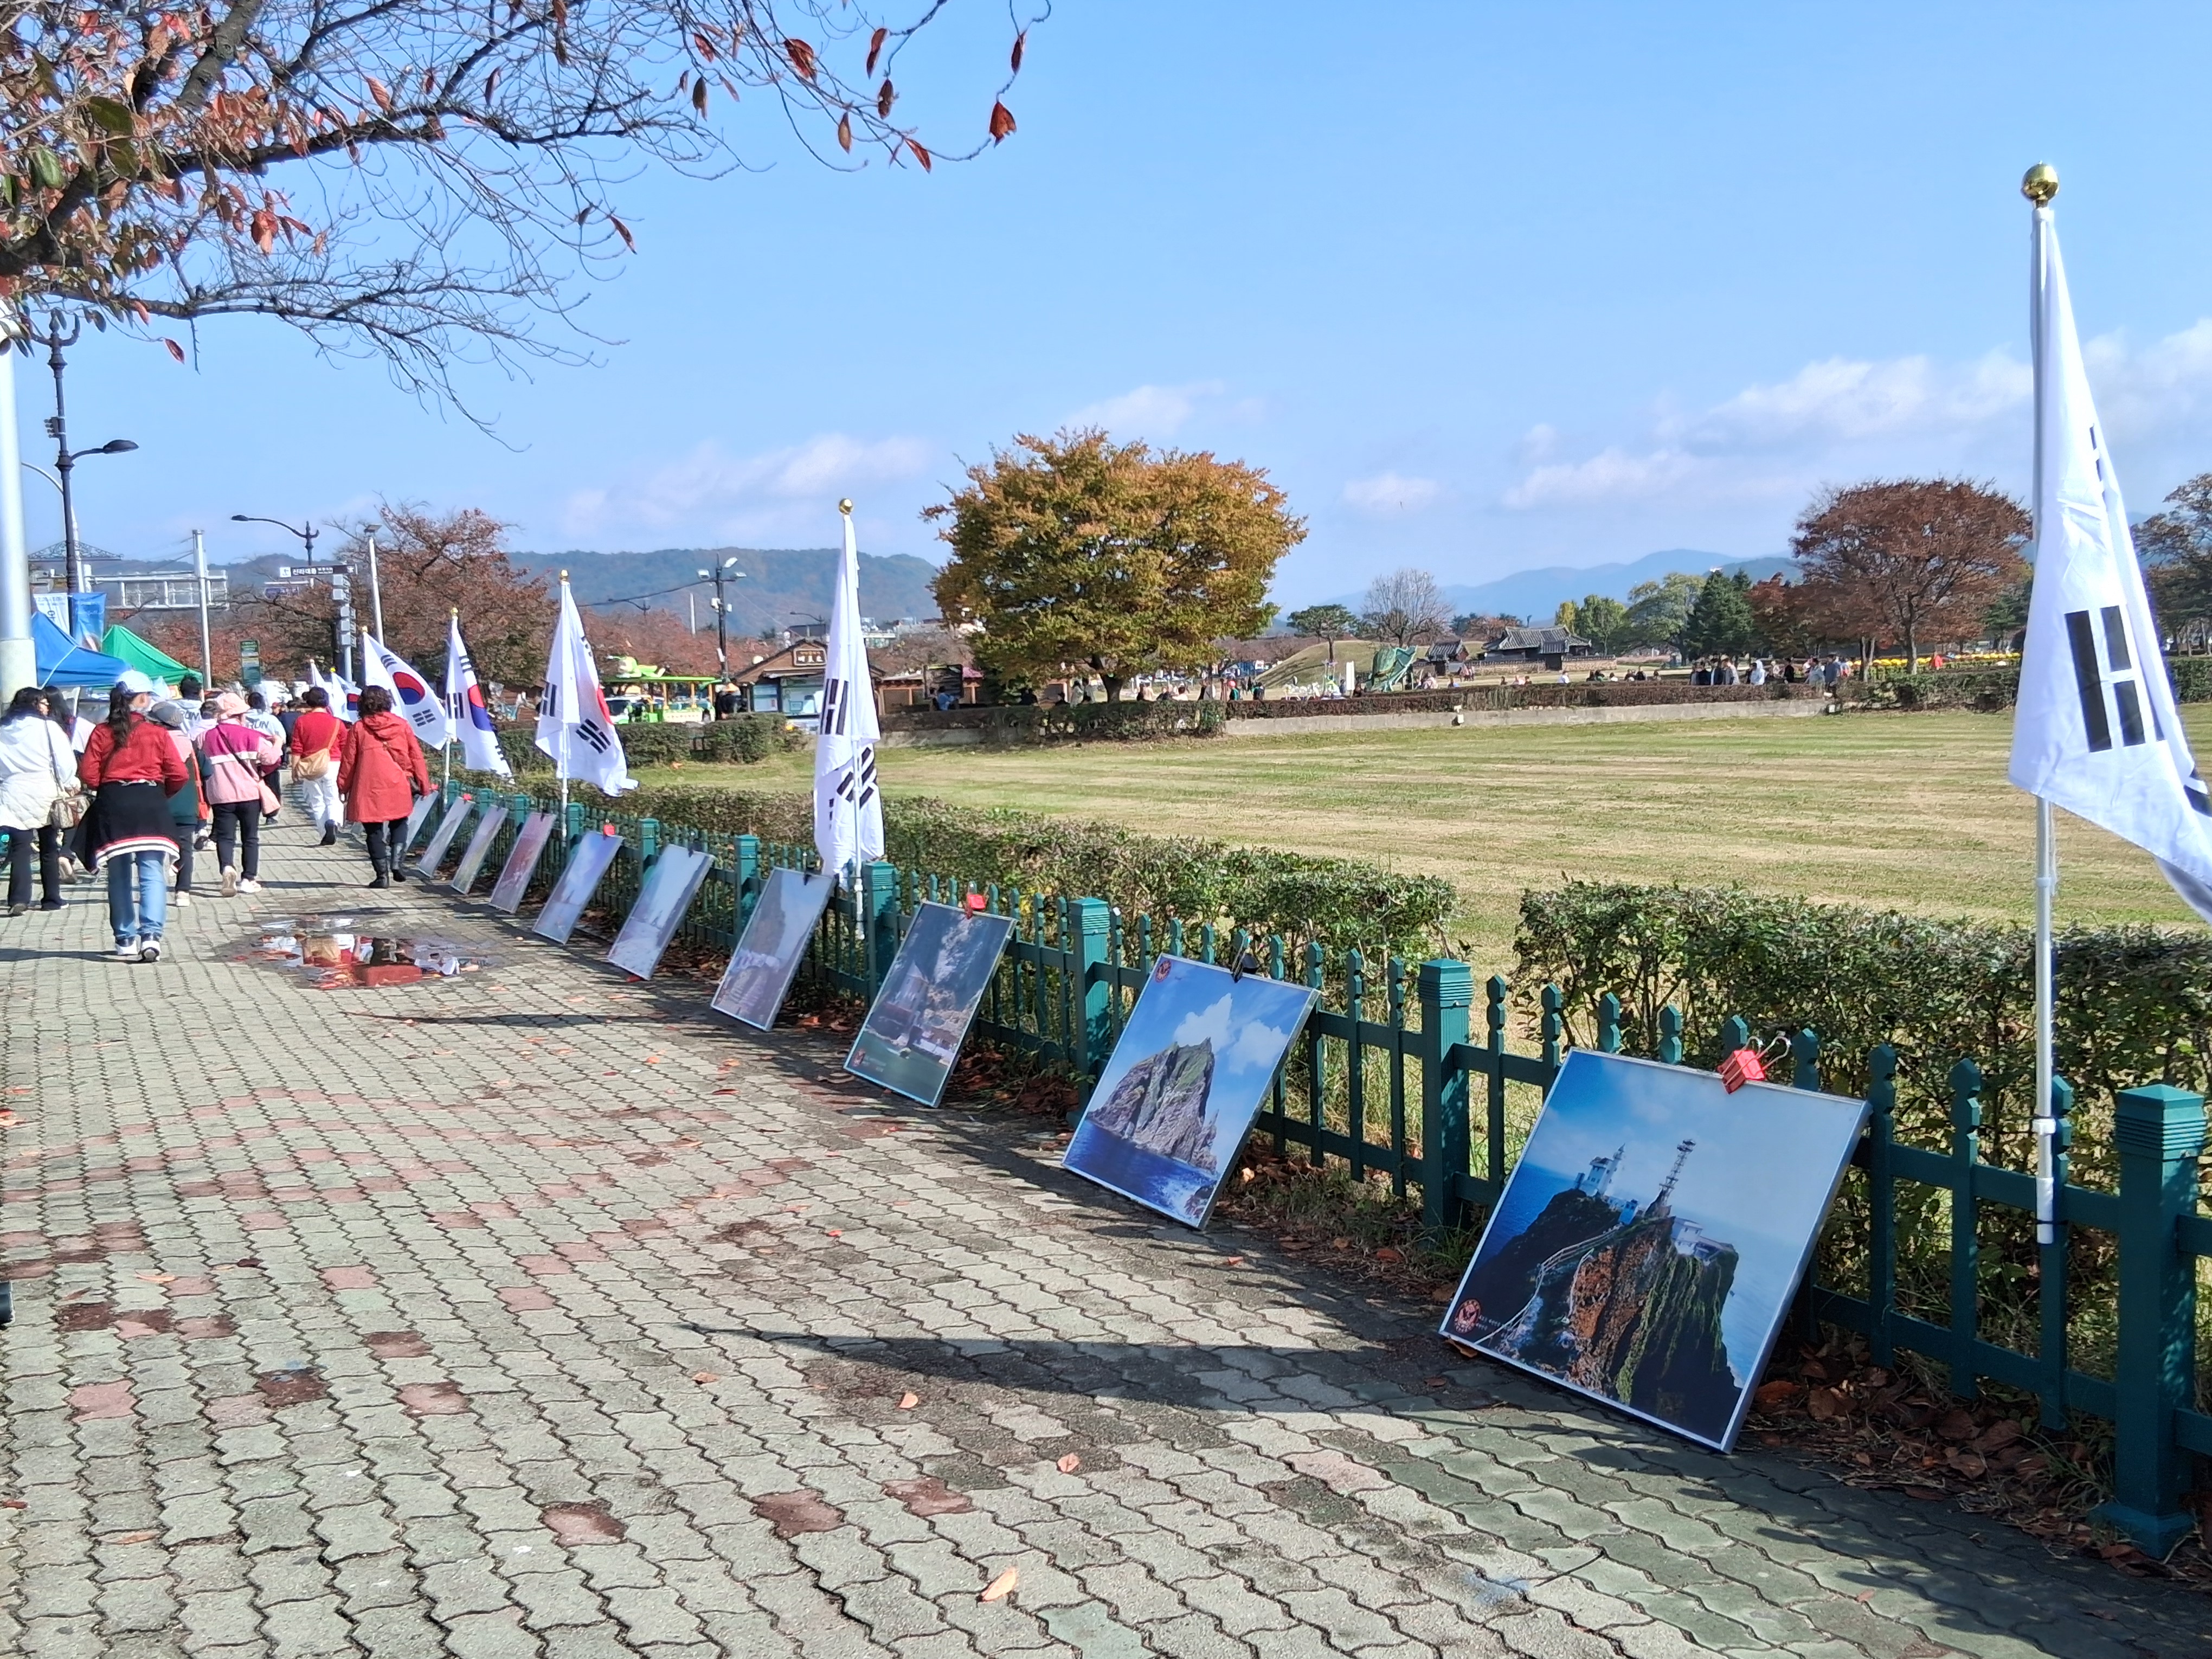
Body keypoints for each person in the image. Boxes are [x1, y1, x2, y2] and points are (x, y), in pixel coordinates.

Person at [78, 672, 186, 962]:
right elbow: (179, 774)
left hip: (114, 804)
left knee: (118, 872)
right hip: (150, 802)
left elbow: (88, 774)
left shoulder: (101, 732)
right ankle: (151, 936)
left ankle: (125, 938)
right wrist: (160, 794)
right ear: (142, 698)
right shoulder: (157, 733)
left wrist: (108, 787)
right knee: (152, 870)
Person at [339, 685, 429, 889]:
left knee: (373, 831)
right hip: (398, 782)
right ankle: (396, 863)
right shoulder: (402, 725)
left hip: (368, 786)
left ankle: (382, 877)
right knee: (400, 821)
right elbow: (416, 756)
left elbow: (349, 762)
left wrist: (343, 786)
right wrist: (424, 784)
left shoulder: (359, 729)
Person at [0, 686, 76, 915]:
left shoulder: (3, 729)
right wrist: (69, 781)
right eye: (44, 703)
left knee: (20, 846)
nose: (47, 707)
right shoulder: (49, 727)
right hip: (45, 789)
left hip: (12, 791)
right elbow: (65, 762)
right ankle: (51, 899)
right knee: (49, 846)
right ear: (35, 704)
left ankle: (18, 899)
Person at [200, 691, 280, 897]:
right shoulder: (252, 736)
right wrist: (278, 743)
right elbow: (271, 759)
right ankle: (248, 879)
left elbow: (197, 756)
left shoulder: (206, 737)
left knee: (225, 837)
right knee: (250, 837)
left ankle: (227, 867)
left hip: (220, 795)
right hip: (249, 794)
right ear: (240, 715)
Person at [147, 700, 210, 906]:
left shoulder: (153, 743)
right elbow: (208, 771)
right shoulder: (191, 744)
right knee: (186, 849)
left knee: (155, 850)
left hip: (158, 804)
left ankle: (154, 892)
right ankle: (183, 892)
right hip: (187, 805)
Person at [290, 686, 345, 845]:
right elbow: (345, 746)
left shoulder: (301, 721)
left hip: (310, 765)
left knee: (317, 801)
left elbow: (297, 748)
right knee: (333, 798)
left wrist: (295, 769)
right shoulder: (337, 722)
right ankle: (333, 822)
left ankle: (324, 832)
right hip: (333, 763)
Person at [245, 691, 286, 824]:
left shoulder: (243, 719)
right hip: (269, 758)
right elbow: (282, 738)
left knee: (250, 786)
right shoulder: (271, 719)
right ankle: (272, 815)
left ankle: (251, 815)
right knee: (272, 785)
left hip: (248, 757)